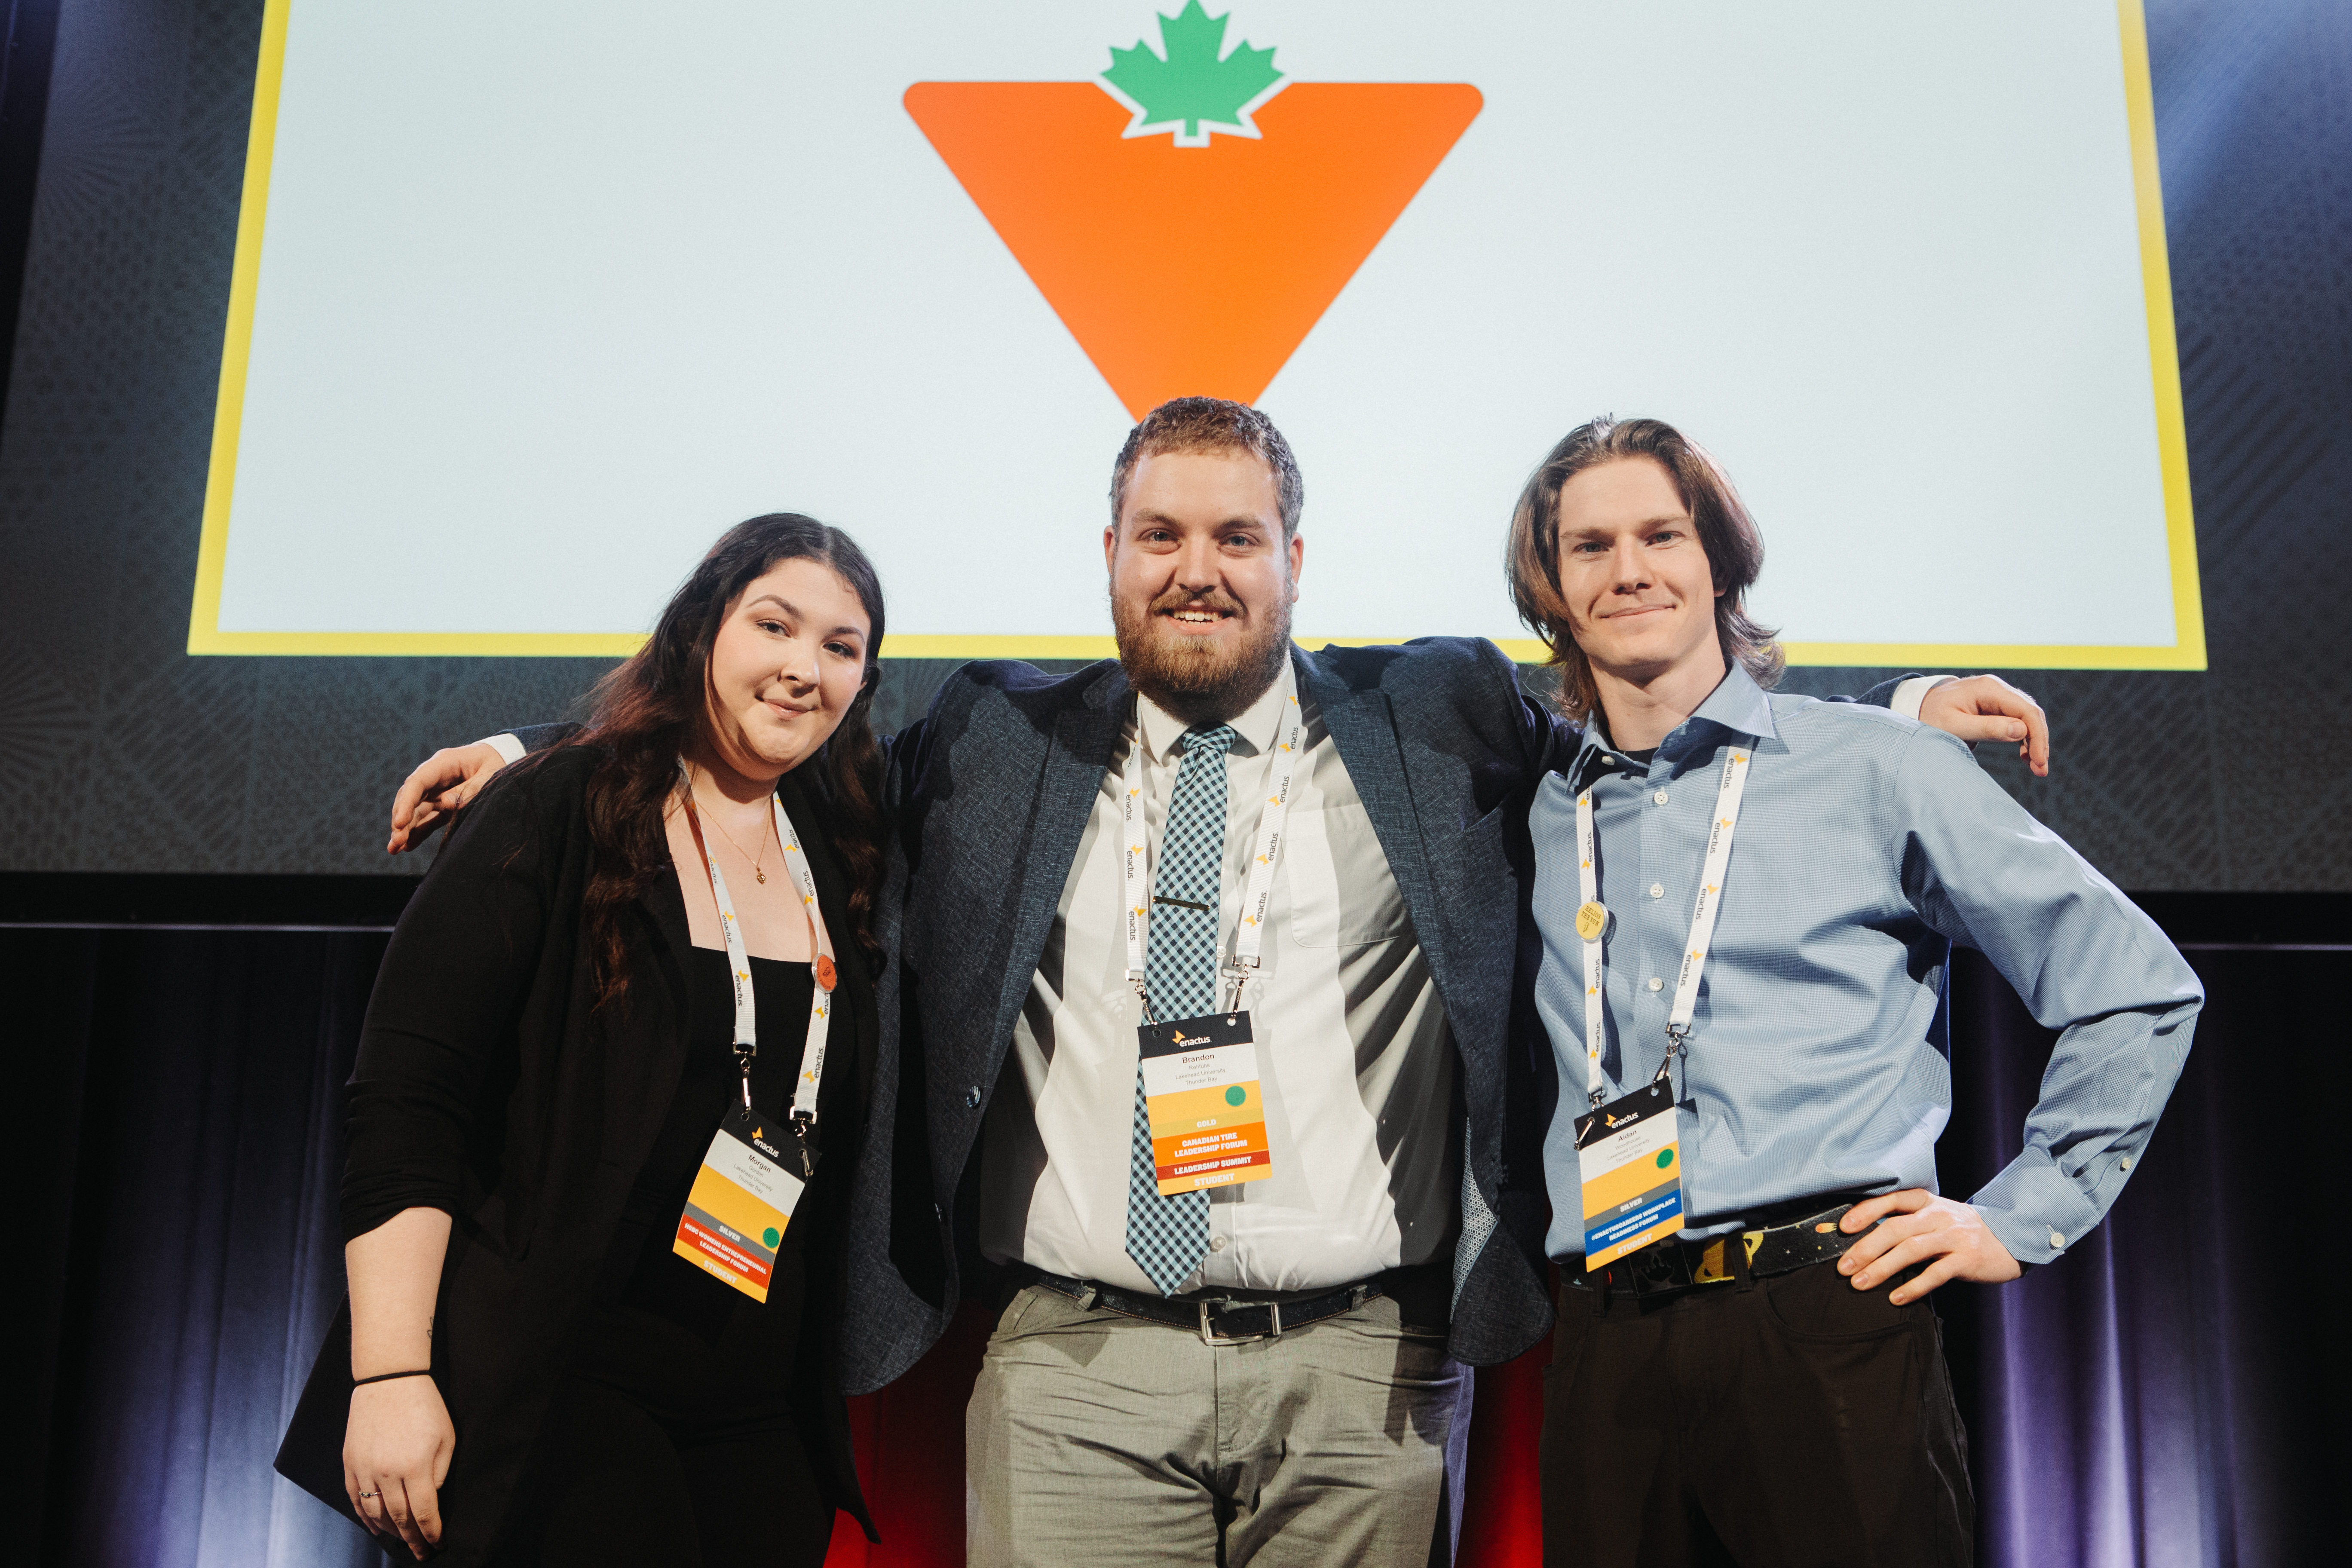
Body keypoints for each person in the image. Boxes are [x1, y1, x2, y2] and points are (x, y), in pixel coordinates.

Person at [388, 400, 2053, 1566]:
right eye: (1163, 533)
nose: (1200, 566)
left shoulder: (1437, 719)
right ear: (1108, 549)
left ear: (1297, 557)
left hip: (1365, 1376)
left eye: (1237, 535)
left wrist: (1888, 713)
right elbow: (786, 746)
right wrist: (546, 746)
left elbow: (1663, 732)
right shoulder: (992, 739)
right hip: (1068, 1372)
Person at [1500, 416, 2202, 1568]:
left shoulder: (1877, 769)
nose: (1629, 569)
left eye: (1661, 535)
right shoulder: (1535, 805)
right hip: (1608, 1333)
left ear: (1719, 561)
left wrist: (2023, 1214)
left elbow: (2134, 987)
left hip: (1824, 1319)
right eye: (1590, 546)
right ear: (1553, 592)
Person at [275, 514, 890, 1566]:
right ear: (702, 631)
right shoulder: (559, 812)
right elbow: (409, 1102)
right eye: (775, 626)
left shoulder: (842, 847)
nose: (803, 669)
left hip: (757, 1418)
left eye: (841, 647)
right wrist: (390, 1375)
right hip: (556, 1390)